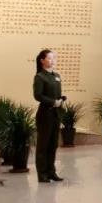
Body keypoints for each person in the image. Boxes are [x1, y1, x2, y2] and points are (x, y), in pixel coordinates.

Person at [33, 49, 65, 184]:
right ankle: (42, 174)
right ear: (42, 60)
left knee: (53, 145)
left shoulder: (56, 76)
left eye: (54, 58)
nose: (53, 61)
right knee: (43, 146)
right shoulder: (40, 77)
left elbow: (56, 93)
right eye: (50, 58)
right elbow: (38, 95)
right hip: (45, 114)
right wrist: (52, 102)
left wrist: (61, 99)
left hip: (56, 114)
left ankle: (51, 172)